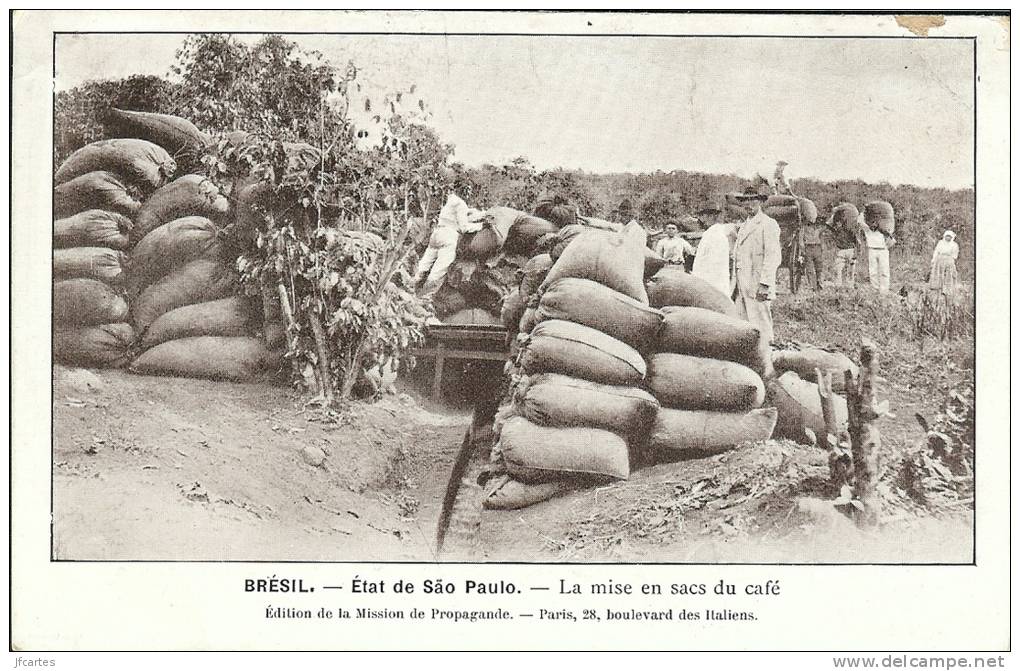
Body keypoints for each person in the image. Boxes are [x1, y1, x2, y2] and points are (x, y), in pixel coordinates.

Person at [732, 186, 782, 374]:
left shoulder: (768, 224)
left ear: (760, 202)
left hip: (757, 281)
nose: (748, 204)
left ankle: (767, 364)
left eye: (753, 200)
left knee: (761, 320)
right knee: (743, 321)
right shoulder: (744, 224)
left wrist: (765, 283)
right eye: (745, 201)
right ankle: (749, 363)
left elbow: (773, 256)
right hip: (740, 281)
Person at [413, 190, 484, 297]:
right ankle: (423, 297)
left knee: (424, 263)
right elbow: (464, 227)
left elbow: (464, 214)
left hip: (437, 233)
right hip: (449, 237)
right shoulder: (461, 204)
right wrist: (480, 226)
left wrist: (481, 214)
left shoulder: (451, 200)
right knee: (439, 271)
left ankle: (410, 286)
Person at [692, 208, 738, 297]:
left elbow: (713, 263)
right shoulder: (709, 233)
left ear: (711, 216)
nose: (700, 220)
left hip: (712, 281)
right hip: (706, 280)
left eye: (702, 216)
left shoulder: (717, 233)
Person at [861, 212, 895, 293]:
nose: (874, 224)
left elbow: (891, 227)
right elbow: (860, 221)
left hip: (883, 250)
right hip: (872, 250)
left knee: (884, 271)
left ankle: (884, 291)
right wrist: (864, 212)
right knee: (873, 272)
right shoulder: (867, 229)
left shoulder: (884, 228)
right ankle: (874, 290)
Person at [828, 207, 862, 287]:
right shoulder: (837, 229)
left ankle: (849, 285)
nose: (837, 224)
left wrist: (857, 252)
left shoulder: (849, 229)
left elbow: (858, 241)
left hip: (850, 250)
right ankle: (839, 285)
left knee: (850, 270)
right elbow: (828, 225)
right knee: (838, 269)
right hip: (842, 250)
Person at [796, 213, 827, 291]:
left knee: (819, 268)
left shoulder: (819, 228)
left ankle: (820, 284)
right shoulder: (804, 228)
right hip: (808, 248)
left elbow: (822, 238)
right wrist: (803, 250)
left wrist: (822, 249)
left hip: (817, 248)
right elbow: (800, 240)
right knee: (809, 269)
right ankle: (812, 286)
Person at [929, 230, 959, 297]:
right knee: (938, 273)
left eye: (949, 237)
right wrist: (934, 259)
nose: (948, 238)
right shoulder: (940, 243)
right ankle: (937, 286)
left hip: (949, 260)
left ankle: (946, 289)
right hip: (940, 260)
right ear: (944, 236)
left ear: (952, 237)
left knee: (948, 274)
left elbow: (955, 255)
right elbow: (936, 251)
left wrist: (951, 260)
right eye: (947, 236)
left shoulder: (954, 245)